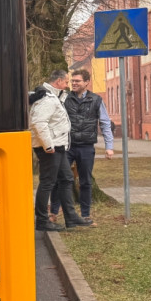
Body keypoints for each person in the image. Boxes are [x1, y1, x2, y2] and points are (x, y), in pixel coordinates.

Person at [48, 68, 114, 225]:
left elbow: (105, 123)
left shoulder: (96, 100)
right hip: (67, 146)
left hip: (86, 147)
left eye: (77, 81)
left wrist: (109, 146)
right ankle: (53, 212)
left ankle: (85, 215)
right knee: (59, 179)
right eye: (72, 81)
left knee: (85, 181)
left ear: (86, 82)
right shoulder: (64, 98)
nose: (74, 83)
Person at [29, 69, 92, 232]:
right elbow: (39, 122)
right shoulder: (47, 99)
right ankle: (42, 220)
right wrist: (48, 145)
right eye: (66, 82)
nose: (68, 84)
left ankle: (71, 217)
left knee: (66, 179)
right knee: (47, 182)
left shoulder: (55, 97)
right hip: (50, 148)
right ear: (58, 82)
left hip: (58, 146)